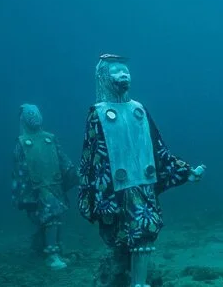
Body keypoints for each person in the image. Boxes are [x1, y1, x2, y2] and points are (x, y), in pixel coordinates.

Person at [78, 54, 206, 287]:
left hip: (142, 185)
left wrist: (186, 171)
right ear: (104, 77)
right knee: (121, 239)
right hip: (115, 189)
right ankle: (122, 275)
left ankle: (139, 282)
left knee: (144, 230)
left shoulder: (139, 110)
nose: (123, 75)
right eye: (116, 71)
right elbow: (91, 157)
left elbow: (158, 148)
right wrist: (97, 195)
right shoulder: (98, 114)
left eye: (126, 71)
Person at [11, 103, 79, 270]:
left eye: (35, 113)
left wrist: (72, 172)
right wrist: (23, 193)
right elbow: (19, 170)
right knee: (51, 216)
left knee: (54, 217)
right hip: (37, 187)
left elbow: (61, 158)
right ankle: (51, 255)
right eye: (30, 114)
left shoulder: (50, 138)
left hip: (54, 183)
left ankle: (49, 248)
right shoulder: (22, 143)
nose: (33, 117)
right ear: (24, 119)